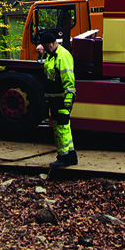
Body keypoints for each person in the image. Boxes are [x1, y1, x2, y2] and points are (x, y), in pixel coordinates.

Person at [39, 31, 77, 167]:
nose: (46, 49)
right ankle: (71, 155)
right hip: (55, 99)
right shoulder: (51, 55)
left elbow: (68, 79)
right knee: (63, 128)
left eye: (47, 46)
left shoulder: (62, 56)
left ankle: (63, 158)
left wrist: (68, 99)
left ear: (54, 43)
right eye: (44, 46)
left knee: (61, 129)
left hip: (61, 99)